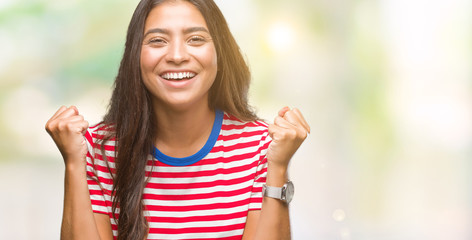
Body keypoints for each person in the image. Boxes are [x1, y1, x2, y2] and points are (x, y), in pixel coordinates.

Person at [45, 0, 310, 239]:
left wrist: (277, 167)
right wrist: (74, 163)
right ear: (135, 56)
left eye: (195, 39)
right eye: (157, 41)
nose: (177, 56)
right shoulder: (99, 149)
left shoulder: (259, 147)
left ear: (220, 53)